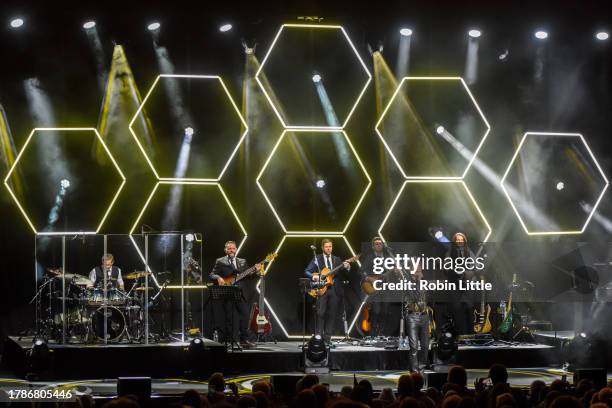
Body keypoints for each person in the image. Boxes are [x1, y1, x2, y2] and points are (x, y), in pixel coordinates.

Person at [209, 241, 262, 348]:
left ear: (236, 249)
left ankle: (244, 339)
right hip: (228, 292)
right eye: (229, 249)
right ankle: (234, 341)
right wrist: (218, 278)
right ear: (225, 250)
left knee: (245, 316)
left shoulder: (242, 261)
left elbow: (249, 274)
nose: (231, 250)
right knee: (231, 318)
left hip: (241, 293)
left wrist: (256, 271)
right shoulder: (220, 261)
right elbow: (212, 274)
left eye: (233, 248)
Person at [304, 239, 351, 340]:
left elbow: (344, 274)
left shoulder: (337, 259)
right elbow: (307, 271)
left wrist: (347, 268)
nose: (329, 248)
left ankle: (327, 338)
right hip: (322, 289)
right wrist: (314, 277)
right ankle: (319, 337)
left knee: (332, 314)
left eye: (330, 246)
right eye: (326, 247)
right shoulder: (317, 258)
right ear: (322, 248)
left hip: (334, 290)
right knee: (320, 313)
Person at [405, 266, 430, 372]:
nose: (419, 274)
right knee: (414, 347)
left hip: (424, 316)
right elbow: (415, 296)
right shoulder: (408, 285)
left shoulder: (425, 284)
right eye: (417, 272)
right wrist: (418, 281)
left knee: (425, 345)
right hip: (412, 317)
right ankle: (414, 372)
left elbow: (427, 298)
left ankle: (422, 368)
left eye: (420, 271)